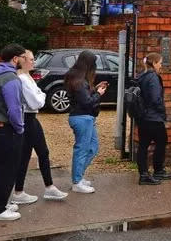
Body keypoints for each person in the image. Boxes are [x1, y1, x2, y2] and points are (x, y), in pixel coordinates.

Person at [13, 50, 67, 203]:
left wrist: (40, 96)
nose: (34, 62)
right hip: (28, 118)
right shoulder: (23, 79)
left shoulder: (27, 77)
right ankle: (21, 191)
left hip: (31, 118)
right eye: (31, 59)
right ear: (22, 60)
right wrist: (40, 96)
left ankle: (46, 187)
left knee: (39, 153)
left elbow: (40, 96)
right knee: (31, 155)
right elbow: (37, 102)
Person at [0, 43, 27, 221]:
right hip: (7, 130)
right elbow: (14, 109)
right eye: (24, 57)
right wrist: (20, 128)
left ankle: (0, 203)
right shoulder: (11, 78)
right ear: (15, 58)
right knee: (7, 169)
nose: (25, 61)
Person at [66, 51, 107, 194]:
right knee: (82, 150)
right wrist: (98, 94)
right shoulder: (78, 81)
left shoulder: (78, 79)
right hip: (82, 118)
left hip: (85, 117)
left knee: (93, 148)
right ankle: (77, 182)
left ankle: (78, 176)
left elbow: (84, 97)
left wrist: (95, 89)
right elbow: (87, 102)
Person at [136, 53, 171, 185]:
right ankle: (158, 170)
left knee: (143, 146)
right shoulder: (153, 78)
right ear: (155, 63)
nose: (161, 65)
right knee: (162, 142)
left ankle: (144, 174)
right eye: (160, 63)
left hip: (143, 117)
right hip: (153, 118)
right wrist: (162, 112)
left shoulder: (142, 76)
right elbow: (156, 98)